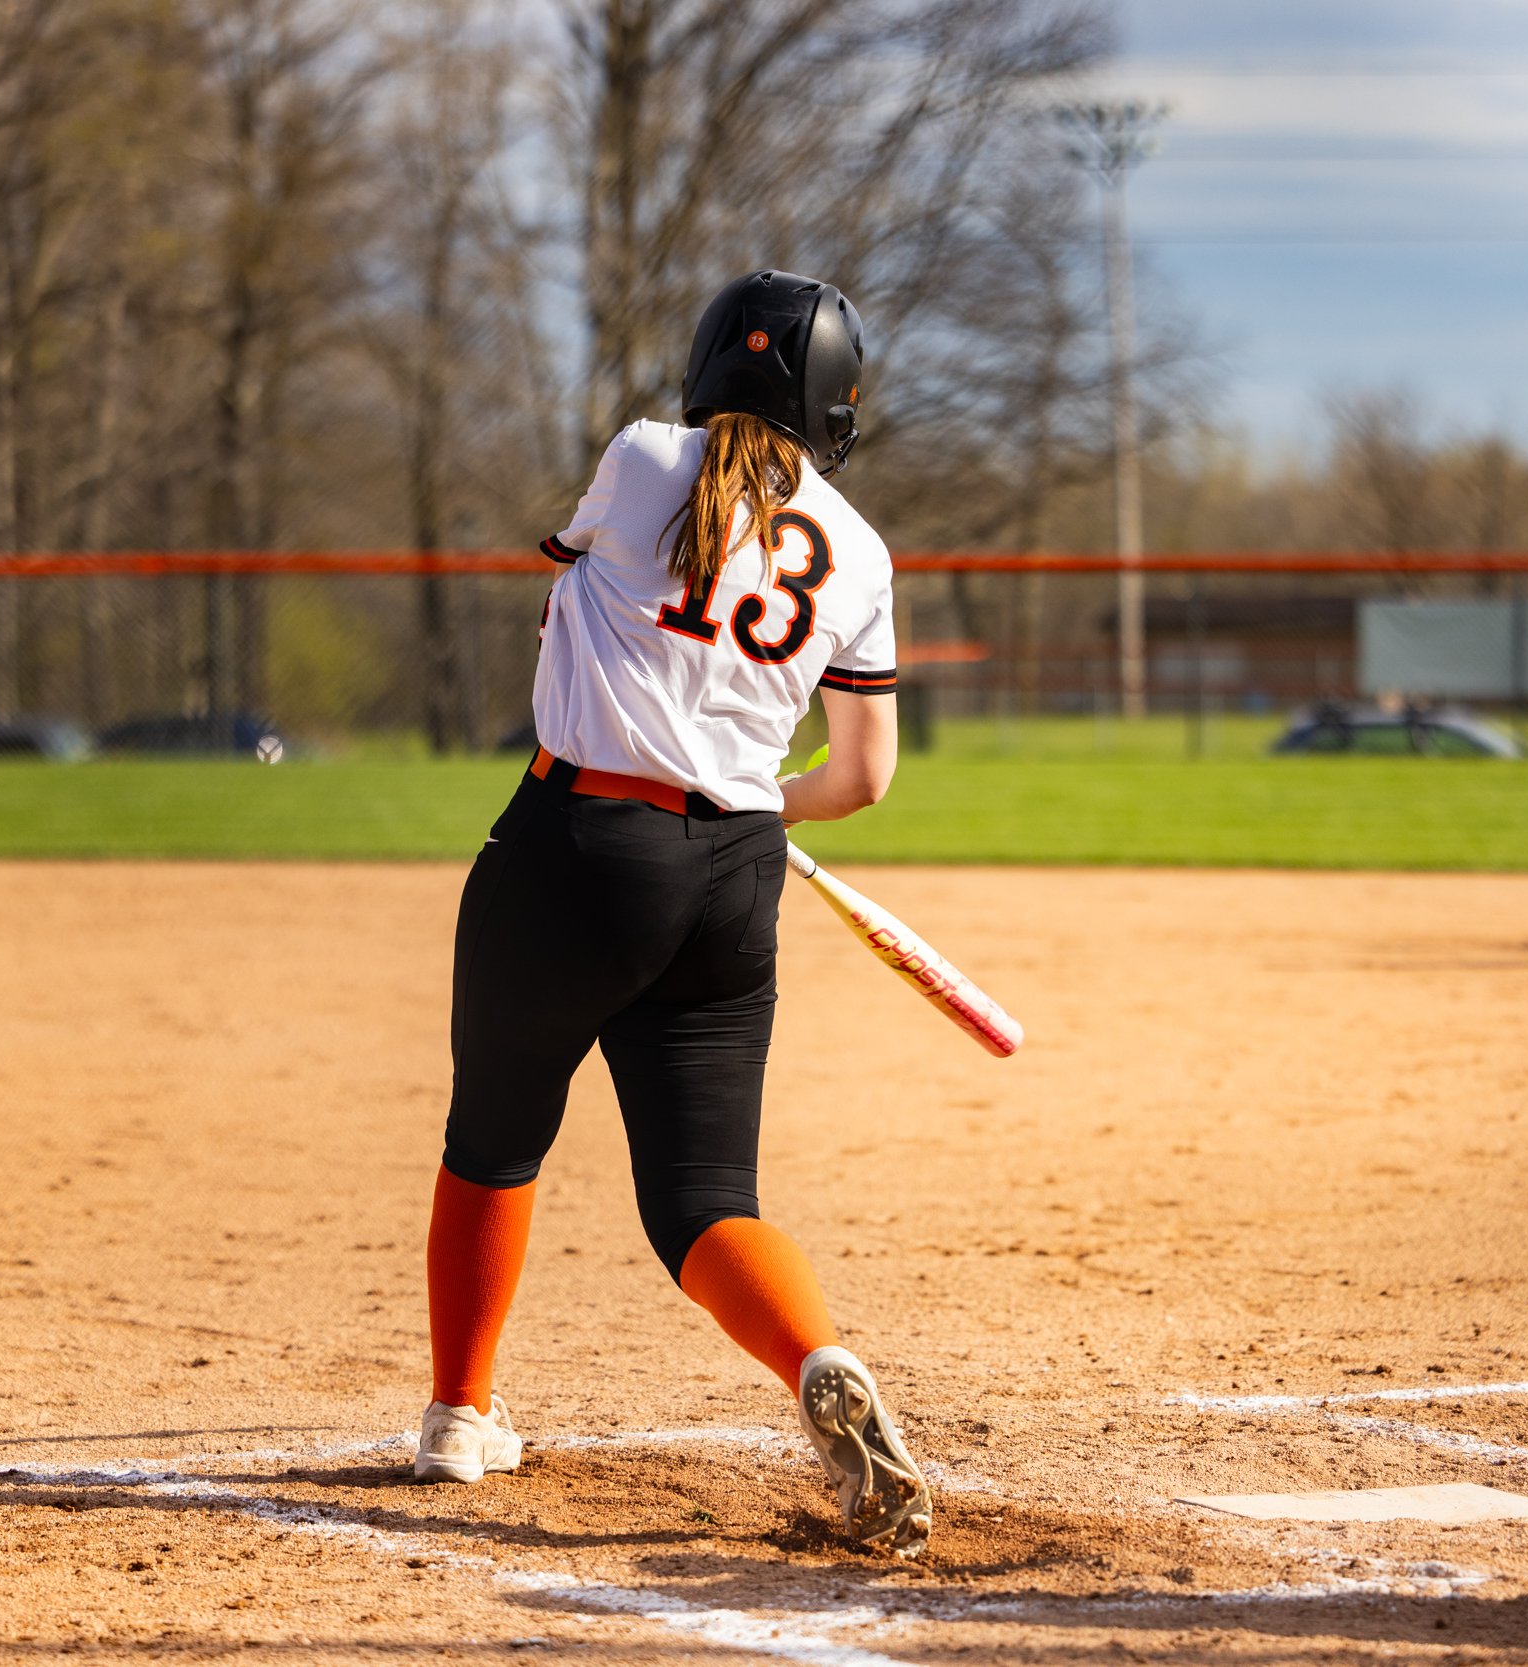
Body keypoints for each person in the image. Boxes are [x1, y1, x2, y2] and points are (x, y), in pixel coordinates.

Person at [412, 270, 931, 1554]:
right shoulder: (862, 551)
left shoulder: (644, 456)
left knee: (495, 1135)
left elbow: (570, 598)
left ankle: (460, 1415)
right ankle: (816, 1358)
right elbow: (861, 778)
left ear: (706, 367)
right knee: (704, 1199)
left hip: (575, 842)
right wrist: (753, 804)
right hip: (735, 874)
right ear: (836, 406)